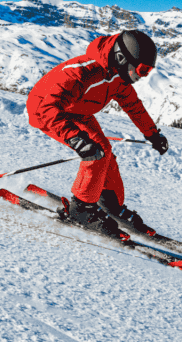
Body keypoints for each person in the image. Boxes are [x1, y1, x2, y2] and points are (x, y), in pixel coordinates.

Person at [25, 30, 169, 241]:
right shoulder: (81, 73)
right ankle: (81, 209)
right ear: (122, 58)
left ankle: (109, 203)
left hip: (78, 111)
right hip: (48, 111)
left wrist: (153, 134)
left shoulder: (119, 77)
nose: (143, 75)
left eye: (148, 71)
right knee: (96, 152)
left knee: (105, 151)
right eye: (142, 69)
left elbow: (133, 106)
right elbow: (49, 108)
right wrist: (75, 139)